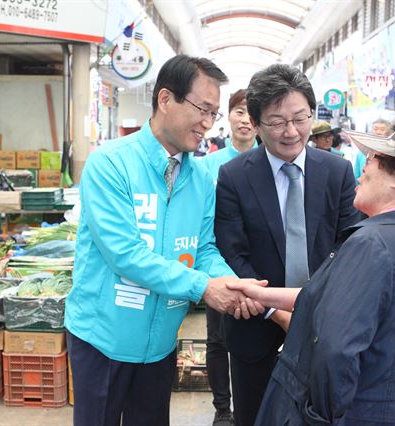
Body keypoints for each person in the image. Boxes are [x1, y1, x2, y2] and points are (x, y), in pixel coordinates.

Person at [65, 54, 264, 426]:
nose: (208, 123)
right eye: (202, 109)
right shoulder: (111, 164)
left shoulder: (201, 178)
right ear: (165, 99)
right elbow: (125, 254)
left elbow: (203, 248)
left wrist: (231, 284)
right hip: (103, 339)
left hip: (159, 344)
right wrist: (204, 287)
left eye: (213, 113)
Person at [227, 119, 395, 425]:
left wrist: (316, 416)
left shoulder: (370, 243)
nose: (364, 167)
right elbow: (335, 299)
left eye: (375, 160)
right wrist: (260, 293)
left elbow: (336, 349)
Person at [214, 64, 360, 426]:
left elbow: (349, 245)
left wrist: (313, 308)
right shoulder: (234, 176)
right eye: (278, 121)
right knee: (255, 417)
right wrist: (277, 311)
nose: (292, 132)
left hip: (325, 329)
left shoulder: (337, 172)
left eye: (300, 118)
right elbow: (233, 253)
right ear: (257, 121)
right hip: (255, 328)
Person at [200, 89, 258, 425]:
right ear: (229, 118)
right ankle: (223, 407)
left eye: (251, 112)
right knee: (218, 337)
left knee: (256, 334)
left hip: (256, 263)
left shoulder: (270, 160)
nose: (245, 119)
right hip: (216, 261)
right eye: (238, 111)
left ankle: (254, 401)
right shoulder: (207, 165)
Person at [353, 118, 392, 182]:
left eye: (382, 129)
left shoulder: (391, 153)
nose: (378, 132)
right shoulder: (361, 152)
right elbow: (356, 176)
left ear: (389, 133)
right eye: (375, 129)